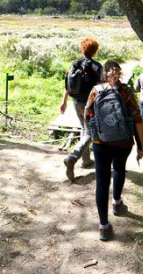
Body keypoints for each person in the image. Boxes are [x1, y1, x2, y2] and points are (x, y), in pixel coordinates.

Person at [85, 61, 143, 241]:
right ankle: (117, 203)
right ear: (119, 73)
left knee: (102, 181)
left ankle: (104, 227)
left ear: (104, 74)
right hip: (123, 141)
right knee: (119, 168)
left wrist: (97, 131)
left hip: (100, 142)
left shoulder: (95, 91)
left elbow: (87, 115)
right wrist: (141, 146)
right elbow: (138, 119)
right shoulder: (126, 91)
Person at [61, 37, 103, 182]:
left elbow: (67, 86)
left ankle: (86, 161)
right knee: (91, 132)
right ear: (95, 51)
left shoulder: (75, 64)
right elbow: (99, 87)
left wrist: (63, 102)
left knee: (83, 128)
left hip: (75, 101)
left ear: (82, 49)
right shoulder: (97, 66)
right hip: (90, 103)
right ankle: (72, 157)